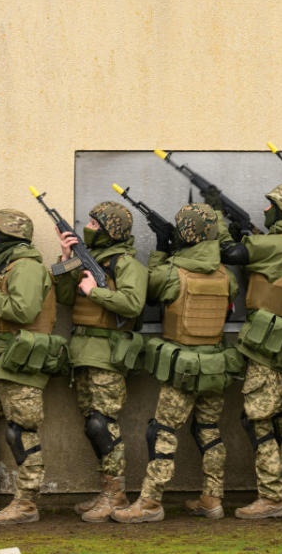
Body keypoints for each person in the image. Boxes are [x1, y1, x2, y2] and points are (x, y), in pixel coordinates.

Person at [111, 204, 240, 523]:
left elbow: (152, 290)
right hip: (216, 365)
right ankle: (213, 499)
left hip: (182, 368)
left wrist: (160, 249)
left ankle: (151, 502)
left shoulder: (172, 272)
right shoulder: (226, 275)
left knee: (163, 432)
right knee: (209, 430)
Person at [0, 208, 64, 525]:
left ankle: (27, 503)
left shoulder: (28, 268)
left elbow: (23, 311)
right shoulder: (6, 267)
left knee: (22, 431)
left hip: (20, 360)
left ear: (7, 235)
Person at [218, 184, 282, 519]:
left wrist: (217, 219)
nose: (264, 210)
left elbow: (231, 254)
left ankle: (271, 497)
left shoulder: (275, 244)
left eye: (270, 205)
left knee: (257, 420)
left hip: (267, 348)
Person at [53, 201, 147, 522]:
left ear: (111, 230)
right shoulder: (91, 260)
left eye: (95, 224)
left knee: (102, 424)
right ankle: (108, 489)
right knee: (93, 426)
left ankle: (116, 494)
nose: (88, 229)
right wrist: (66, 260)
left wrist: (96, 293)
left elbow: (133, 304)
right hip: (83, 353)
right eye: (89, 223)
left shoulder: (126, 264)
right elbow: (66, 298)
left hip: (107, 354)